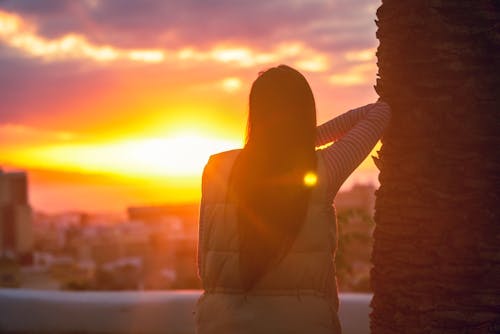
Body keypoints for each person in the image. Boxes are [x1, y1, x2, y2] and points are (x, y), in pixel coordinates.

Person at [195, 65, 391, 333]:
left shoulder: (217, 169)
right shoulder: (324, 169)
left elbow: (204, 264)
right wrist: (297, 141)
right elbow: (379, 112)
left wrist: (276, 144)